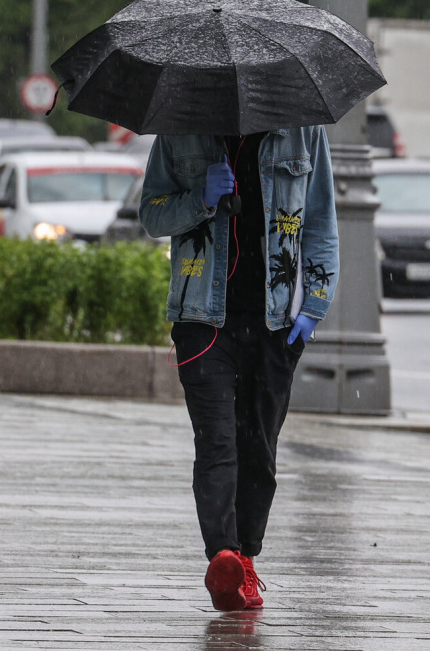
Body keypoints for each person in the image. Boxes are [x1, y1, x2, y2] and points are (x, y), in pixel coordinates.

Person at [138, 127, 338, 611]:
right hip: (202, 320)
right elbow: (151, 214)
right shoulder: (182, 127)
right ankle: (223, 557)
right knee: (216, 443)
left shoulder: (303, 131)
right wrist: (201, 199)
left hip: (276, 324)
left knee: (258, 450)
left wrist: (314, 306)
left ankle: (245, 558)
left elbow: (320, 222)